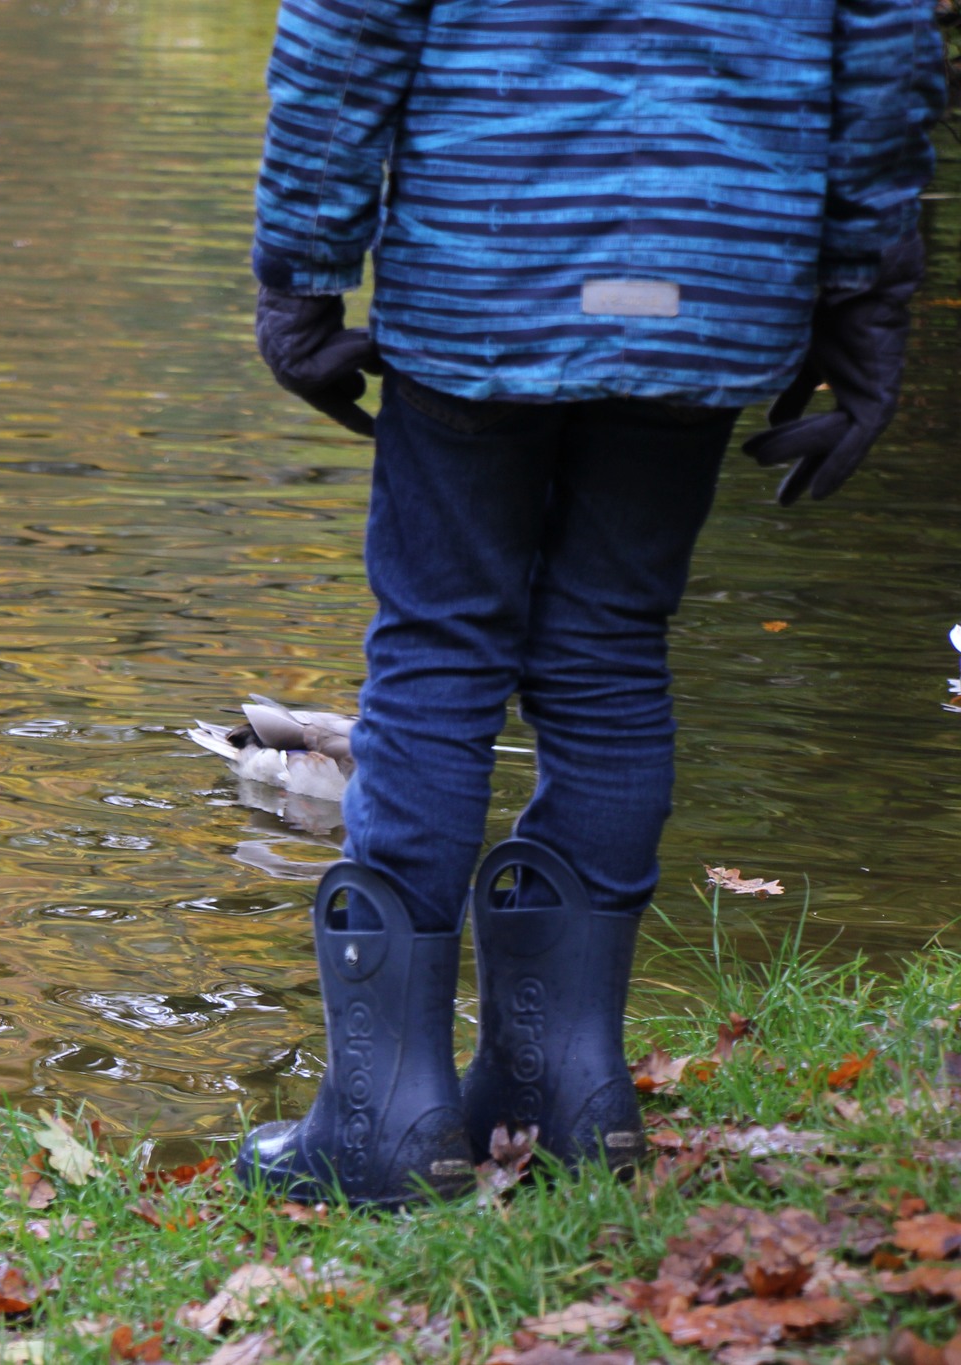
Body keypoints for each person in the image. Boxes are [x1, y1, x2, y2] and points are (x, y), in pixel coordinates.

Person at [236, 1, 947, 1205]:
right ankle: (568, 1103)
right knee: (610, 650)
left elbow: (341, 33)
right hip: (712, 264)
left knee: (437, 649)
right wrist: (864, 305)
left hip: (484, 263)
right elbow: (884, 55)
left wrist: (298, 281)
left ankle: (381, 1126)